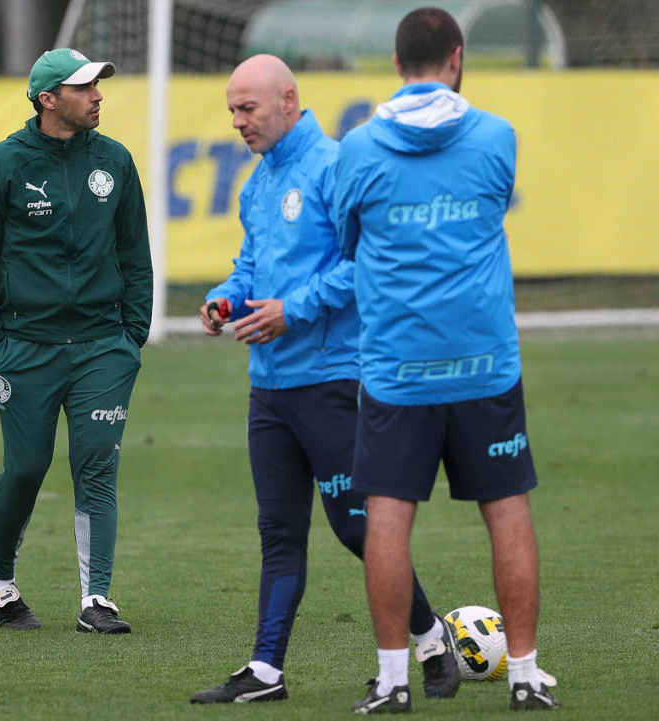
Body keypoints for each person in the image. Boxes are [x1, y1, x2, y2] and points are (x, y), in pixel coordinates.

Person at [188, 54, 459, 706]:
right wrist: (226, 299)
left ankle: (430, 638)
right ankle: (265, 670)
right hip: (268, 385)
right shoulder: (257, 183)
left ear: (288, 100)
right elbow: (249, 266)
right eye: (231, 110)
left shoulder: (337, 166)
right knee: (278, 532)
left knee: (357, 527)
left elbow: (364, 264)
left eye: (247, 108)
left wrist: (293, 310)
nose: (237, 121)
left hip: (332, 379)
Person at [333, 8, 560, 713]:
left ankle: (393, 681)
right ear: (457, 58)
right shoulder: (497, 136)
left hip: (397, 367)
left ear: (396, 64)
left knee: (388, 516)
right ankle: (525, 675)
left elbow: (348, 243)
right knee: (507, 509)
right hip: (483, 363)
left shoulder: (358, 148)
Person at [0, 48, 152, 635]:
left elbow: (135, 253)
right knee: (26, 467)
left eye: (98, 85)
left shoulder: (115, 161)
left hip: (103, 347)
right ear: (48, 99)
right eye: (84, 87)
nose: (98, 95)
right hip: (25, 347)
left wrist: (133, 334)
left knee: (97, 468)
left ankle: (97, 600)